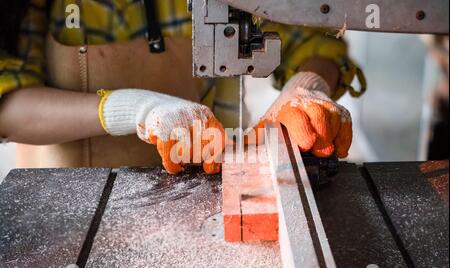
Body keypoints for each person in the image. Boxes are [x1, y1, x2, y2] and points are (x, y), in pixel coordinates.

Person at [0, 0, 366, 174]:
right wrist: (139, 110)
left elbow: (310, 42)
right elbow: (9, 108)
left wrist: (307, 87)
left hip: (211, 178)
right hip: (75, 202)